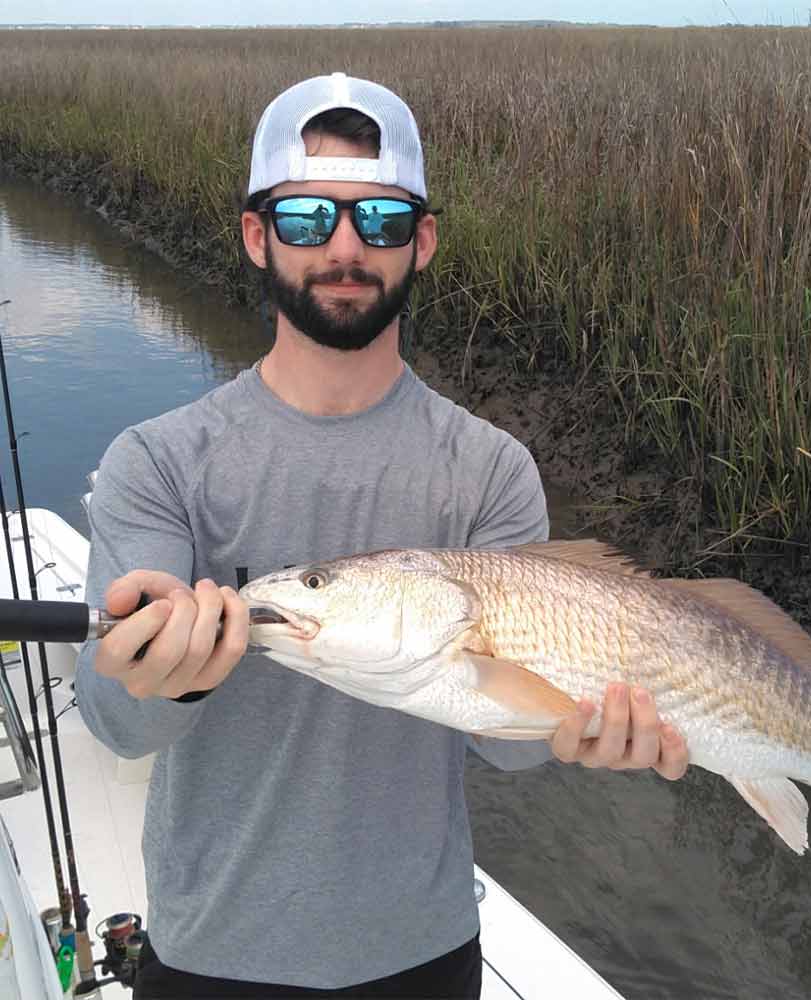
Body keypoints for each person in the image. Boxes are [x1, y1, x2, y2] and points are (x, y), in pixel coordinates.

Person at [75, 72, 689, 999]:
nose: (347, 248)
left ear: (423, 242)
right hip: (211, 954)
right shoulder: (160, 461)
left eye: (383, 221)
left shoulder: (490, 470)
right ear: (257, 235)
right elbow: (116, 724)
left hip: (424, 956)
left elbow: (510, 746)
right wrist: (162, 672)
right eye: (310, 219)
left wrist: (583, 728)